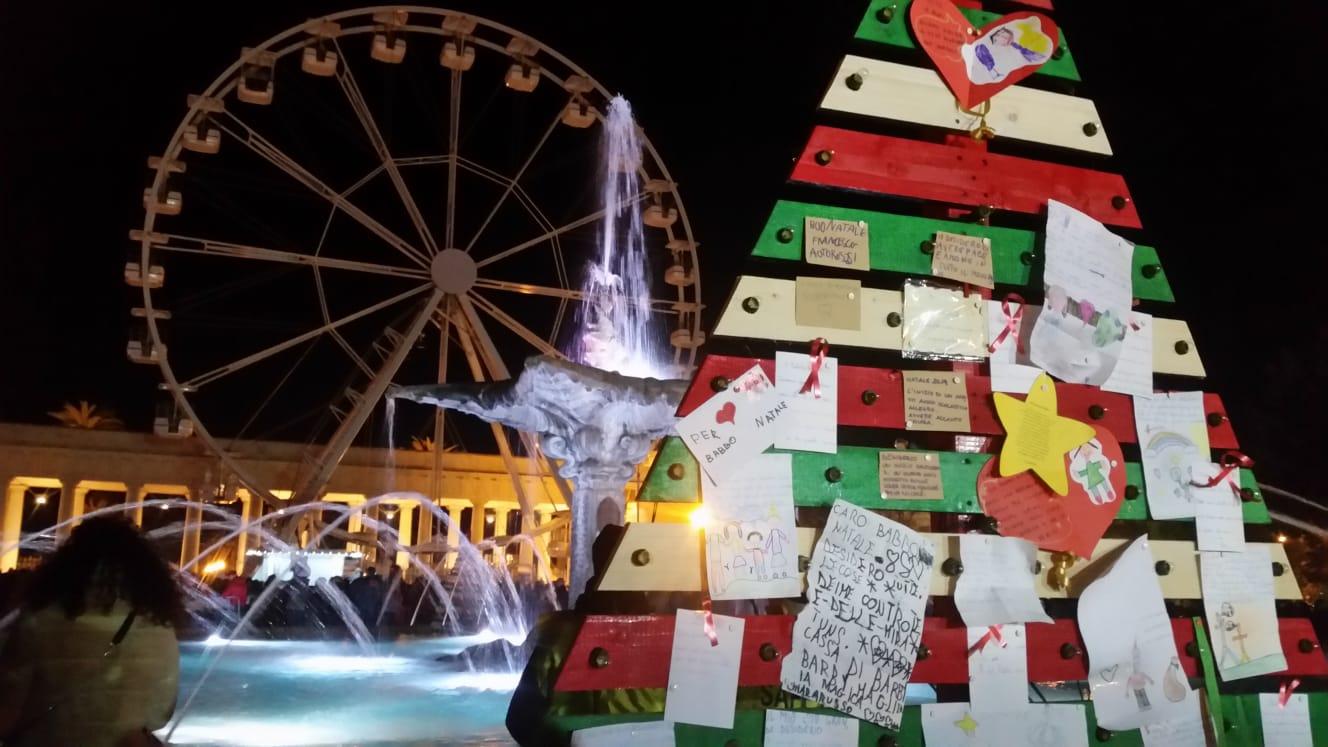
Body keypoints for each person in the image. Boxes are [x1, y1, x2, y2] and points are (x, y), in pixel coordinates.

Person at [0, 517, 182, 746]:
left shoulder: (38, 622)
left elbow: (6, 711)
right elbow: (160, 715)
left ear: (67, 564)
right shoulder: (159, 629)